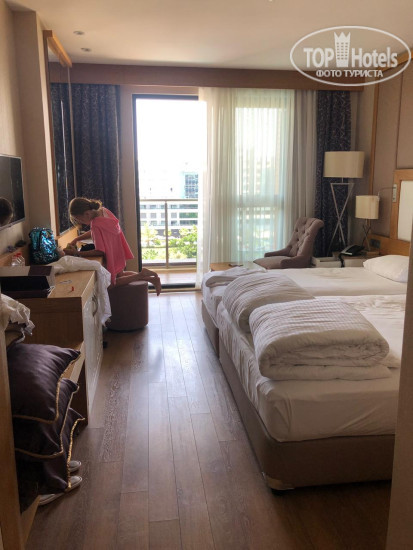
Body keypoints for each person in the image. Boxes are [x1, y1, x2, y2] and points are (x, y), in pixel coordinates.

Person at [64, 197, 161, 294]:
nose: (81, 223)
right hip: (118, 249)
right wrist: (77, 239)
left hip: (111, 254)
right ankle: (151, 279)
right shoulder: (103, 211)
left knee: (110, 284)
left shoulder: (95, 224)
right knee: (120, 275)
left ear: (87, 214)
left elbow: (100, 251)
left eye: (80, 219)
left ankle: (141, 275)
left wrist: (77, 253)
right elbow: (96, 231)